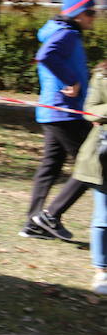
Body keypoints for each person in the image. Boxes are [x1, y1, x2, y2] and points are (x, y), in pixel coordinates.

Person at [20, 0, 97, 241]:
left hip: (53, 111)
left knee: (50, 167)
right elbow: (45, 56)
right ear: (77, 14)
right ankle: (50, 215)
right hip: (65, 112)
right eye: (91, 13)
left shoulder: (63, 31)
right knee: (93, 164)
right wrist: (72, 80)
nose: (93, 18)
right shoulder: (66, 33)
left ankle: (33, 223)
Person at [69, 60, 107, 295]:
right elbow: (90, 109)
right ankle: (102, 271)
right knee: (104, 215)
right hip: (103, 157)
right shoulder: (102, 76)